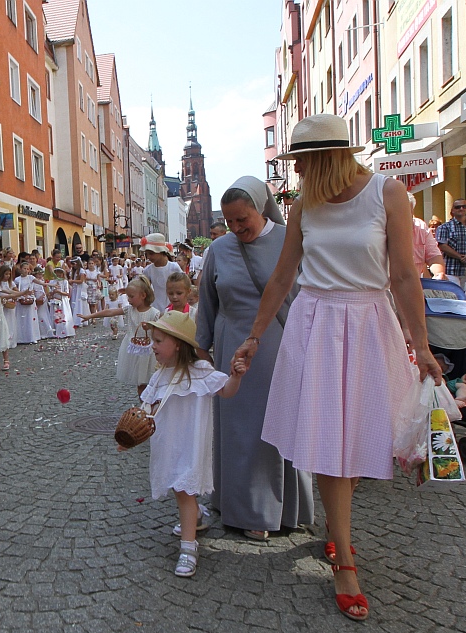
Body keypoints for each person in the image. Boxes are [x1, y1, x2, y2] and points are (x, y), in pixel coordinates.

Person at [234, 115, 440, 621]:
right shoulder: (304, 207)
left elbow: (404, 276)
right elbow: (283, 276)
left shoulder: (387, 193)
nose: (297, 171)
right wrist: (255, 335)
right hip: (317, 322)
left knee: (361, 437)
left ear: (322, 157)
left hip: (370, 320)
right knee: (331, 443)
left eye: (302, 161)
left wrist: (424, 345)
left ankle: (336, 529)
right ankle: (345, 558)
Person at [197, 176, 316, 540]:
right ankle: (244, 507)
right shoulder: (218, 249)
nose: (236, 228)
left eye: (242, 220)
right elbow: (207, 302)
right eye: (229, 221)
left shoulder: (290, 241)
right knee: (239, 430)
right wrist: (201, 352)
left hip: (282, 345)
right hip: (232, 344)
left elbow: (307, 294)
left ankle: (284, 508)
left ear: (261, 209)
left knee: (277, 426)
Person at [133, 311, 245, 577]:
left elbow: (226, 391)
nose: (153, 346)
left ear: (178, 344)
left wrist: (236, 377)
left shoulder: (201, 372)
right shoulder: (159, 375)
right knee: (178, 488)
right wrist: (130, 437)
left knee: (184, 489)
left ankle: (188, 547)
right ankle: (195, 517)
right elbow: (146, 409)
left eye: (159, 341)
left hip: (191, 445)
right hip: (168, 445)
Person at [80, 276, 160, 396]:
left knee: (152, 382)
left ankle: (153, 407)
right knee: (141, 383)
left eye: (131, 297)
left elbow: (160, 333)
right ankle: (143, 407)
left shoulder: (154, 313)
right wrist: (90, 316)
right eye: (128, 296)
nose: (128, 300)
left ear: (143, 296)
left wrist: (151, 327)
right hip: (135, 350)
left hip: (149, 352)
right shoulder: (129, 310)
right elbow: (110, 312)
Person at [436, 199, 466, 286]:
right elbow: (442, 245)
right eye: (458, 207)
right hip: (451, 270)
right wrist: (460, 257)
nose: (461, 209)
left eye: (464, 206)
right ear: (453, 210)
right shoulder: (444, 227)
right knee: (454, 297)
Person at [408, 194, 446, 279]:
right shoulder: (379, 229)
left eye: (407, 211)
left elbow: (433, 256)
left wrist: (439, 274)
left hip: (413, 283)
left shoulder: (420, 227)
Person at [141, 234, 183, 310]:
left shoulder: (174, 267)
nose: (149, 257)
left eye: (151, 253)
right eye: (147, 254)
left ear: (160, 251)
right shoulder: (148, 270)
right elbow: (143, 289)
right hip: (155, 307)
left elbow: (183, 286)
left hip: (173, 307)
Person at [12, 262, 42, 345]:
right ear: (21, 269)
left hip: (30, 299)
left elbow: (40, 283)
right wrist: (22, 295)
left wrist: (49, 284)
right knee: (21, 318)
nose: (26, 270)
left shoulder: (31, 278)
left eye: (27, 269)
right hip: (22, 298)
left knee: (30, 318)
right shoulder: (17, 279)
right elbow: (16, 289)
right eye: (24, 268)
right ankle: (21, 337)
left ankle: (32, 336)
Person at [50, 267, 75, 338]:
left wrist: (59, 291)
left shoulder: (64, 282)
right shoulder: (52, 282)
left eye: (60, 273)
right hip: (55, 300)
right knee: (55, 316)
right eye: (57, 273)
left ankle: (64, 331)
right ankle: (55, 331)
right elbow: (50, 292)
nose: (58, 274)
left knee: (62, 316)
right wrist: (52, 293)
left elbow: (67, 293)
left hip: (62, 301)